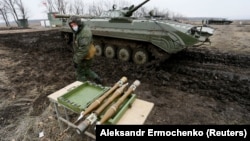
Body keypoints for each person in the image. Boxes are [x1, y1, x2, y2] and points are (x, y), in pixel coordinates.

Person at [68, 16, 102, 84]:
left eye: (74, 25)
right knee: (86, 69)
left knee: (80, 73)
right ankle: (96, 78)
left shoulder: (84, 33)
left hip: (85, 55)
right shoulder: (78, 30)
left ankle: (81, 85)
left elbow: (83, 49)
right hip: (85, 54)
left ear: (78, 23)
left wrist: (76, 60)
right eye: (71, 25)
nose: (73, 27)